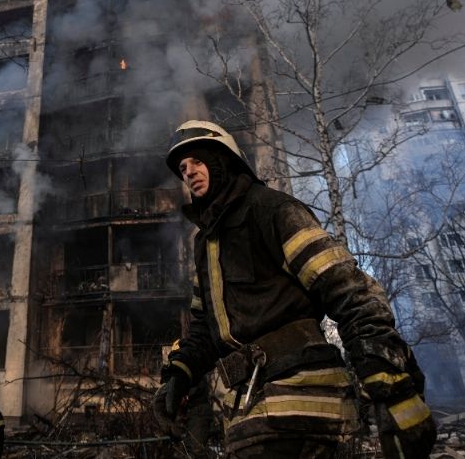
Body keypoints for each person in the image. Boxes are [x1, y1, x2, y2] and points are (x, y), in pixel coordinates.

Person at [152, 120, 437, 458]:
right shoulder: (205, 244)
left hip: (303, 400)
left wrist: (387, 378)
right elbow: (205, 329)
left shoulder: (271, 209)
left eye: (197, 161)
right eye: (183, 169)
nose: (189, 173)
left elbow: (347, 289)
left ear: (222, 160)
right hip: (251, 410)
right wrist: (178, 375)